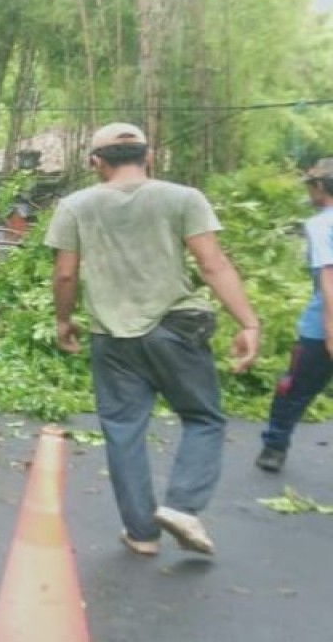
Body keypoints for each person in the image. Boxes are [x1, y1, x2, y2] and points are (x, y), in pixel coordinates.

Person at [46, 122, 260, 556]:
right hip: (177, 327)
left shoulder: (75, 205)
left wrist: (63, 320)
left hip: (112, 337)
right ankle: (183, 505)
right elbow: (212, 263)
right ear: (149, 156)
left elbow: (66, 272)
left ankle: (142, 533)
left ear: (95, 163)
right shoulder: (183, 198)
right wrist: (248, 323)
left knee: (124, 430)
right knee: (203, 418)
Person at [256, 158, 333, 473]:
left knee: (295, 387)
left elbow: (328, 277)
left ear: (320, 187)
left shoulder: (321, 224)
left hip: (322, 327)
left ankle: (274, 446)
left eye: (309, 186)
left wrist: (330, 329)